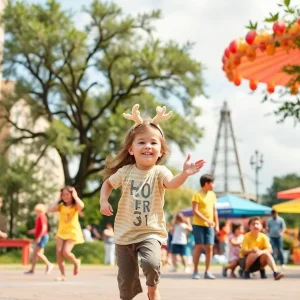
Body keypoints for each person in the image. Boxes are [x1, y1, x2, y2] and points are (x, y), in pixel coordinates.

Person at [99, 104, 205, 300]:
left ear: (160, 151)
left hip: (150, 232)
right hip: (125, 233)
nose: (148, 146)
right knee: (126, 282)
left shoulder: (160, 172)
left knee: (152, 263)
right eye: (141, 142)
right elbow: (107, 184)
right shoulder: (125, 172)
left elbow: (172, 184)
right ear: (131, 149)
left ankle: (152, 288)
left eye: (153, 143)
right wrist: (103, 200)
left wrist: (185, 173)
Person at [49, 186, 84, 281]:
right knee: (59, 252)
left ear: (71, 195)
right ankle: (63, 275)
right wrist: (58, 199)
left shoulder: (75, 206)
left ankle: (76, 262)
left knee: (66, 252)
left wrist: (75, 196)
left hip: (72, 232)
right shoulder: (61, 207)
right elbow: (50, 209)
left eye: (67, 194)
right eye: (63, 194)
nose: (65, 196)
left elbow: (81, 206)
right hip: (61, 232)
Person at [192, 174, 219, 280]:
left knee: (210, 247)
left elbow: (214, 210)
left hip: (210, 226)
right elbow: (195, 211)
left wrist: (216, 224)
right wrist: (207, 220)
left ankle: (207, 271)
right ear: (206, 184)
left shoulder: (212, 195)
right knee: (199, 246)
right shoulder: (197, 195)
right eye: (212, 183)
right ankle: (195, 270)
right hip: (198, 225)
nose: (214, 185)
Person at [24, 203, 53, 275]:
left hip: (43, 237)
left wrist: (39, 237)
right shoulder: (38, 218)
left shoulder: (42, 217)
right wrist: (32, 231)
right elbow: (38, 228)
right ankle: (32, 269)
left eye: (37, 211)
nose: (36, 212)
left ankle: (49, 264)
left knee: (37, 253)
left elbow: (44, 228)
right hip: (41, 236)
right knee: (36, 254)